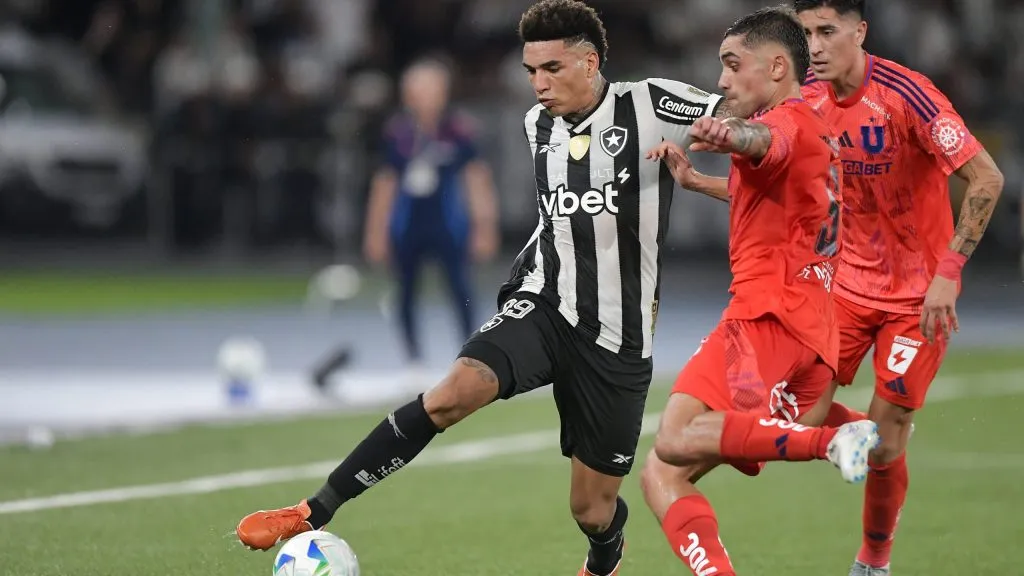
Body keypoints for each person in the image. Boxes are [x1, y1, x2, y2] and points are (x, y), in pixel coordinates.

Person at [237, 2, 735, 574]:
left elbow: (737, 113)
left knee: (591, 507)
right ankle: (314, 509)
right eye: (530, 71)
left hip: (617, 338)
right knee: (450, 394)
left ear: (590, 61)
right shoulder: (536, 124)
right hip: (544, 304)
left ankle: (606, 548)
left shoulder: (647, 104)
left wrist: (734, 132)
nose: (537, 84)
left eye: (550, 69)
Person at [639, 7, 881, 576]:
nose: (721, 80)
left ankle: (832, 440)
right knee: (661, 475)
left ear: (776, 66)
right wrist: (698, 181)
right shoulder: (819, 125)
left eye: (731, 64)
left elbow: (760, 143)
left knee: (673, 438)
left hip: (765, 322)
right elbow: (785, 194)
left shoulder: (785, 125)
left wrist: (729, 134)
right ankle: (838, 423)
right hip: (816, 340)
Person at [791, 2, 1005, 574]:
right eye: (805, 32)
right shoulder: (803, 98)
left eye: (826, 31)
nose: (813, 45)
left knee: (886, 448)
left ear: (860, 32)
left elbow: (986, 176)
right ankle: (860, 429)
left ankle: (874, 562)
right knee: (793, 413)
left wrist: (948, 273)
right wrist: (703, 179)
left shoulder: (907, 95)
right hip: (845, 287)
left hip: (917, 297)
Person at [363, 57, 500, 367]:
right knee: (406, 291)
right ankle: (414, 358)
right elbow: (385, 183)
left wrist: (485, 226)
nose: (420, 96)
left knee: (460, 288)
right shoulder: (396, 133)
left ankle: (471, 352)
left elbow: (476, 178)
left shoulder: (459, 130)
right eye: (414, 90)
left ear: (443, 91)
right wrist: (375, 231)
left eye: (427, 89)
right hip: (408, 225)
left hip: (449, 225)